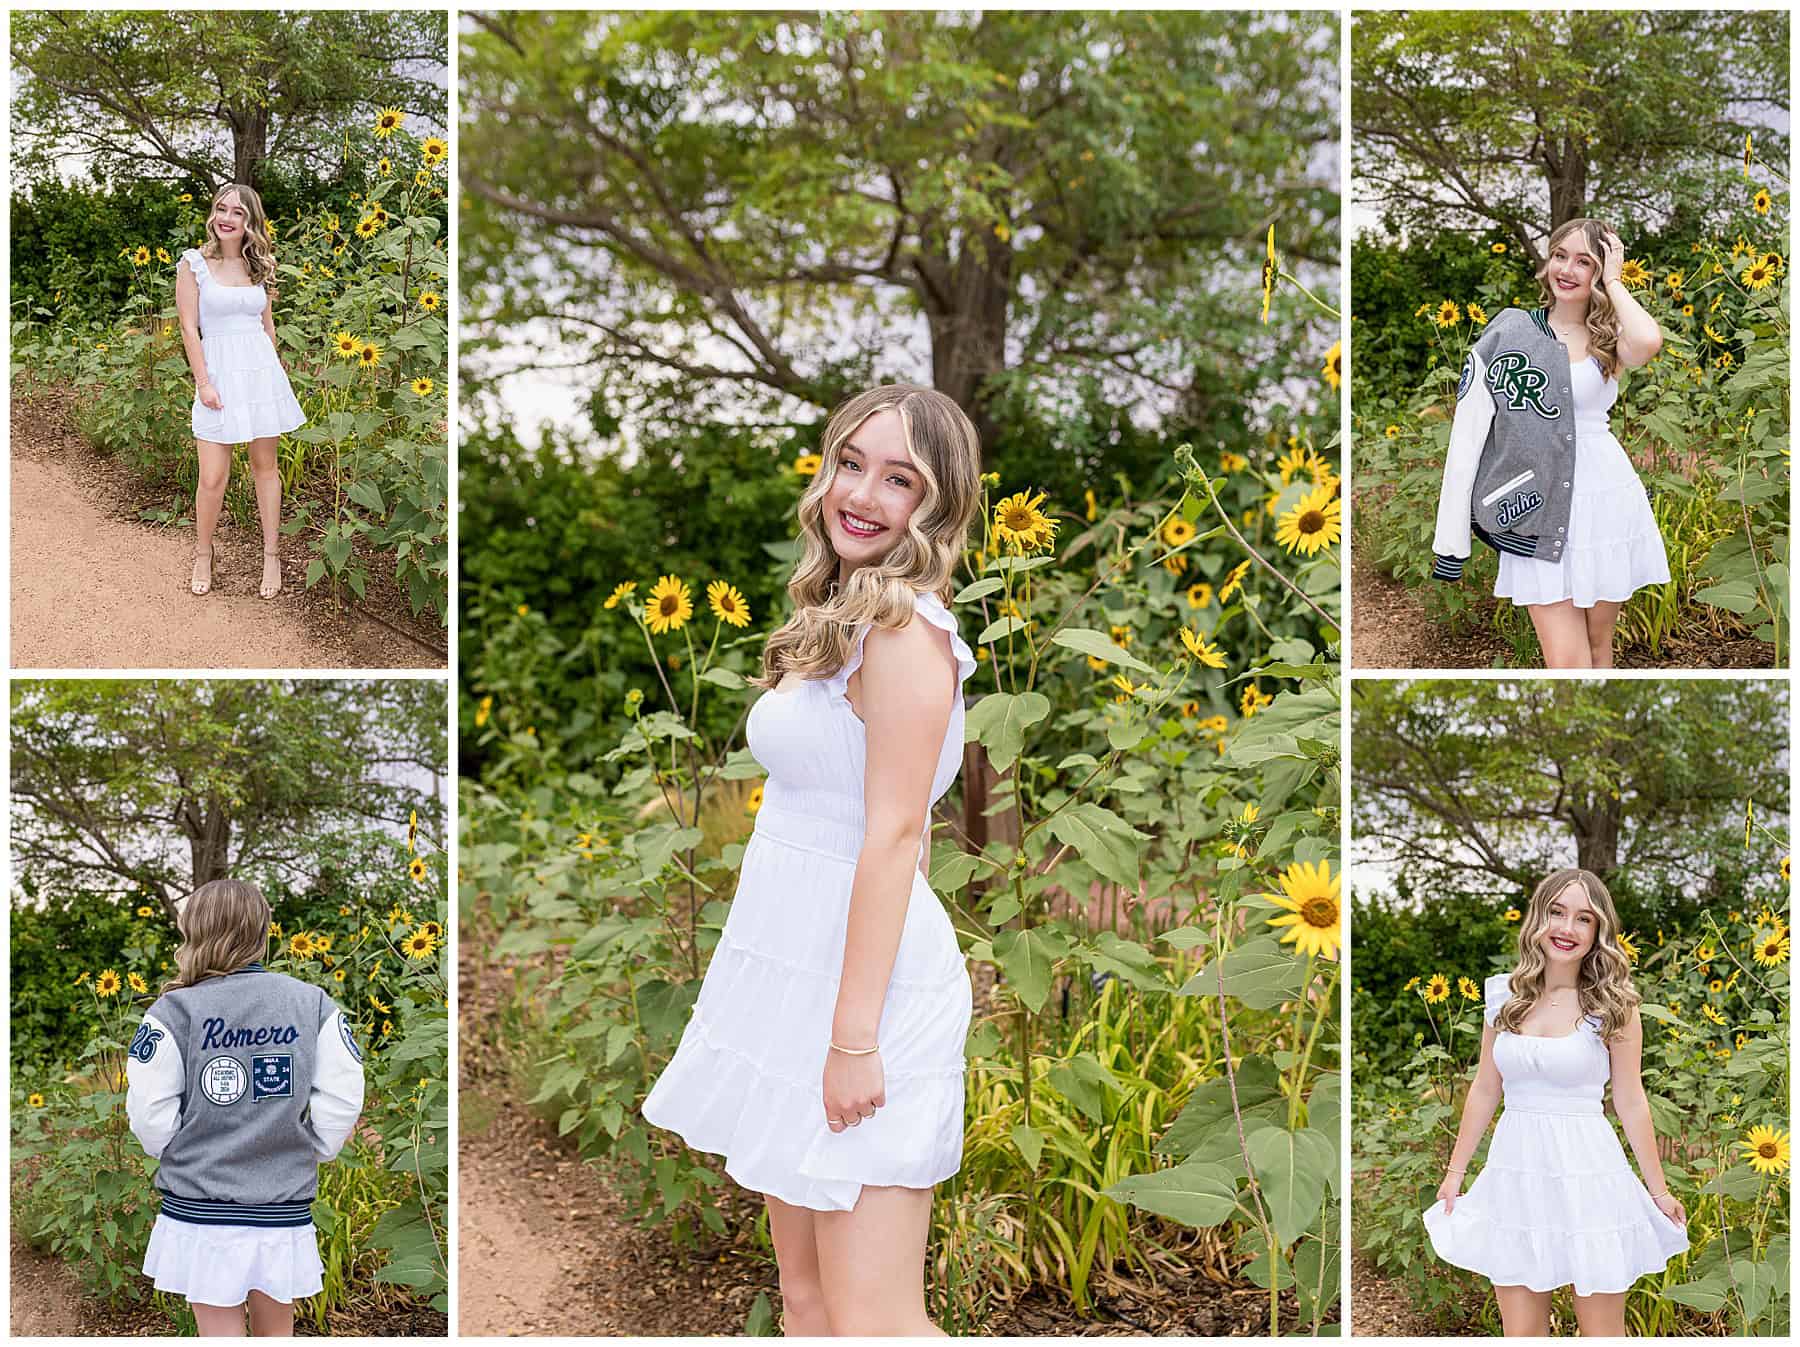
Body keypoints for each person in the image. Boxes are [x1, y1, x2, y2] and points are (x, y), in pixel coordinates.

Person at [641, 383, 982, 1336]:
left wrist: (852, 1039)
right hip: (789, 973)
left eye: (900, 478)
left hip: (867, 998)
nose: (862, 493)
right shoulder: (838, 617)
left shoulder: (909, 634)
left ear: (937, 506)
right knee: (807, 1302)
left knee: (874, 1319)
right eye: (850, 462)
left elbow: (893, 835)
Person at [1422, 868, 1688, 1336]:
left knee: (1602, 1335)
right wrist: (1454, 1173)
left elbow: (1630, 1101)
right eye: (1557, 912)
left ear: (1598, 931)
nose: (1567, 929)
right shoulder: (1503, 995)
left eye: (1583, 919)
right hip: (1516, 1174)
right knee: (1522, 1335)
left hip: (1590, 1174)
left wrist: (1659, 1191)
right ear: (1537, 919)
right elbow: (1487, 1087)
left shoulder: (1614, 1005)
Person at [126, 879, 365, 1336]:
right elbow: (343, 1094)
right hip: (281, 1205)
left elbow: (149, 1113)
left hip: (203, 1208)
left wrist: (183, 1150)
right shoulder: (312, 1003)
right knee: (277, 1334)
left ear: (193, 931)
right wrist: (313, 1147)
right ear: (262, 931)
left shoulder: (173, 1011)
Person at [1431, 219, 1670, 668]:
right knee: (1567, 665)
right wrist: (1451, 543)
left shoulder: (1609, 339)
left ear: (1599, 272)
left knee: (1600, 650)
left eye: (1585, 262)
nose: (1567, 269)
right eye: (1560, 255)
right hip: (1534, 512)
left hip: (1604, 502)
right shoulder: (1510, 333)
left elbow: (1649, 340)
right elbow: (1466, 440)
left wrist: (1616, 281)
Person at [174, 184, 307, 600]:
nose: (227, 218)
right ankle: (203, 552)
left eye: (238, 212)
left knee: (265, 468)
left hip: (259, 373)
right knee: (212, 477)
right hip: (217, 374)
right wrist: (204, 383)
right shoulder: (193, 263)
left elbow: (267, 325)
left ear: (251, 222)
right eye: (221, 209)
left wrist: (275, 367)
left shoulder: (259, 267)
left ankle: (271, 554)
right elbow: (188, 328)